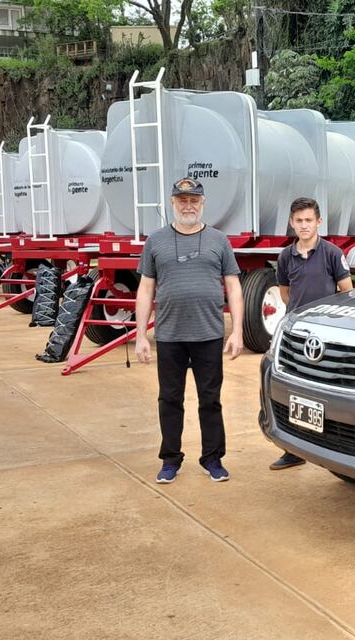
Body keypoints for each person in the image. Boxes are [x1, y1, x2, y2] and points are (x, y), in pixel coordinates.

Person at [134, 177, 244, 484]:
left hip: (208, 334)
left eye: (194, 200)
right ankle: (170, 459)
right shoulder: (155, 241)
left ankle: (213, 458)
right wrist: (141, 335)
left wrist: (237, 331)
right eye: (182, 200)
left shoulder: (219, 240)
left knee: (210, 400)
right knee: (169, 399)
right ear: (172, 202)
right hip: (169, 335)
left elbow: (233, 287)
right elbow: (145, 289)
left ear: (203, 203)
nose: (188, 205)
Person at [269, 197, 354, 470]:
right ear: (291, 223)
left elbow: (347, 290)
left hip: (327, 336)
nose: (304, 226)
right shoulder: (285, 257)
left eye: (309, 220)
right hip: (296, 335)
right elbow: (285, 294)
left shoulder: (331, 253)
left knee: (325, 393)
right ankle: (292, 450)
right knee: (293, 392)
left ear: (319, 222)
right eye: (299, 221)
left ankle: (332, 447)